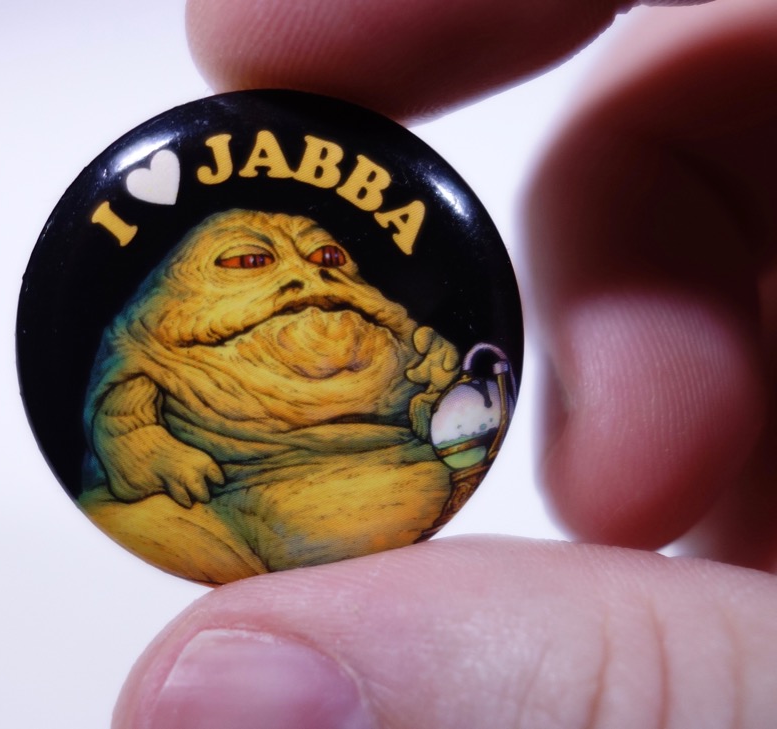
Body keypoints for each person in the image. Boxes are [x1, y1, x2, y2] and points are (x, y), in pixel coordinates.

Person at [113, 1, 777, 726]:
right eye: (249, 262)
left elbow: (443, 366)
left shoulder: (395, 336)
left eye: (328, 256)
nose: (308, 277)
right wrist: (148, 448)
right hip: (236, 508)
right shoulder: (150, 354)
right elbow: (121, 410)